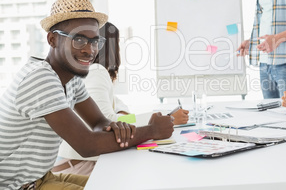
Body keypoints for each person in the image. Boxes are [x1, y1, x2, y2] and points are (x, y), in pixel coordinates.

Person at [0, 0, 174, 190]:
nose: (89, 50)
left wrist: (117, 127)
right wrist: (152, 131)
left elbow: (99, 123)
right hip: (16, 186)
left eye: (94, 41)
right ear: (52, 40)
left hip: (42, 177)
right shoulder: (40, 78)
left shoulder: (72, 78)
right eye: (79, 40)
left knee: (126, 184)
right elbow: (87, 145)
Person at [53, 22, 189, 176]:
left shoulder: (89, 73)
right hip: (83, 167)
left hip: (82, 163)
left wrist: (123, 112)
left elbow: (112, 106)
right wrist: (165, 119)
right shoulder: (96, 71)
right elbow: (106, 121)